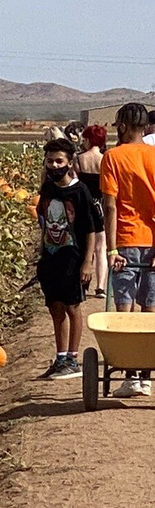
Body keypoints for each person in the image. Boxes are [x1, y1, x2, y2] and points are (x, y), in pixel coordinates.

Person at [35, 138, 101, 379]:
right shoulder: (47, 189)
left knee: (72, 306)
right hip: (50, 257)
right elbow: (44, 221)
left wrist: (88, 262)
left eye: (59, 161)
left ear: (70, 162)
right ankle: (60, 357)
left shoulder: (80, 191)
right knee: (55, 307)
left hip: (73, 258)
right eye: (50, 161)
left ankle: (73, 358)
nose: (54, 165)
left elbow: (91, 229)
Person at [101, 102, 155, 396]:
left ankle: (131, 374)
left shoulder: (113, 157)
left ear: (122, 126)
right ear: (145, 127)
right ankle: (146, 375)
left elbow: (110, 206)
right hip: (152, 241)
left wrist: (112, 250)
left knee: (124, 304)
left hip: (124, 239)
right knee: (150, 306)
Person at [77, 124, 108, 297]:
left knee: (85, 244)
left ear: (89, 140)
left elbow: (76, 183)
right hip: (101, 204)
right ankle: (101, 287)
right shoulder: (105, 159)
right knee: (101, 246)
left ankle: (83, 283)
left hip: (84, 205)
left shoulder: (79, 159)